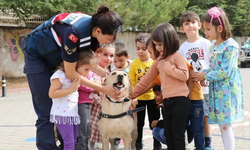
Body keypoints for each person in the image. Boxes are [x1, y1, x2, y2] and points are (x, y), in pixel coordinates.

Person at [23, 5, 123, 150]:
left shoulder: (95, 36)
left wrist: (110, 76)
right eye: (108, 39)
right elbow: (71, 73)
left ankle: (67, 147)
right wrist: (102, 88)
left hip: (58, 58)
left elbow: (87, 63)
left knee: (67, 108)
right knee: (46, 109)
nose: (108, 43)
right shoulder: (72, 33)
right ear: (99, 30)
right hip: (37, 57)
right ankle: (47, 147)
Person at [191, 7, 244, 150]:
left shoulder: (230, 46)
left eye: (208, 29)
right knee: (223, 126)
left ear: (219, 28)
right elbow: (214, 68)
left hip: (227, 93)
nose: (205, 33)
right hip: (218, 92)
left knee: (225, 126)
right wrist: (203, 74)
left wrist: (205, 75)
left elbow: (224, 72)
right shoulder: (214, 46)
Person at [132, 23, 190, 150]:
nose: (157, 48)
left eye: (159, 44)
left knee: (178, 135)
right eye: (155, 45)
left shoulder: (177, 56)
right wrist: (132, 94)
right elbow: (146, 80)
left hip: (181, 101)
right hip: (167, 102)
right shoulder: (158, 61)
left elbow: (184, 75)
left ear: (169, 41)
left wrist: (168, 67)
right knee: (168, 134)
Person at [49, 49, 97, 150]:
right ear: (76, 64)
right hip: (62, 115)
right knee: (69, 143)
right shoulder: (60, 75)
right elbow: (52, 93)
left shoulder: (74, 78)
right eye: (86, 69)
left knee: (74, 142)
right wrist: (70, 90)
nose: (87, 73)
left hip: (72, 115)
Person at [179, 11, 212, 150]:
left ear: (199, 25)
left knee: (206, 116)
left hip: (206, 86)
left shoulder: (206, 43)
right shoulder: (182, 48)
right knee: (197, 115)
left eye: (193, 22)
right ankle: (194, 135)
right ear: (182, 29)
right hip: (193, 90)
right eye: (187, 23)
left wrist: (205, 76)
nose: (190, 26)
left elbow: (212, 62)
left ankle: (208, 142)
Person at [128, 33, 161, 150]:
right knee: (138, 124)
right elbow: (131, 81)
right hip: (139, 100)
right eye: (138, 49)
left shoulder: (154, 62)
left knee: (154, 121)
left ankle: (157, 143)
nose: (140, 51)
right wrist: (133, 96)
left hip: (153, 98)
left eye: (143, 49)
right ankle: (138, 143)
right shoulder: (134, 64)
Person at [89, 44, 115, 150]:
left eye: (111, 56)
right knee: (90, 133)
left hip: (105, 110)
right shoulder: (91, 72)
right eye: (105, 54)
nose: (108, 59)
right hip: (93, 108)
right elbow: (91, 92)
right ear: (98, 54)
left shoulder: (111, 72)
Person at [77, 70, 97, 150]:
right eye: (86, 68)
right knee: (83, 130)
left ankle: (86, 147)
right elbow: (82, 85)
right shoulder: (79, 73)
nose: (88, 70)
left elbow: (96, 81)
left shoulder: (92, 73)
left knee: (87, 129)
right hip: (81, 103)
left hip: (88, 103)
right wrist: (94, 87)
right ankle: (81, 147)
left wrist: (95, 85)